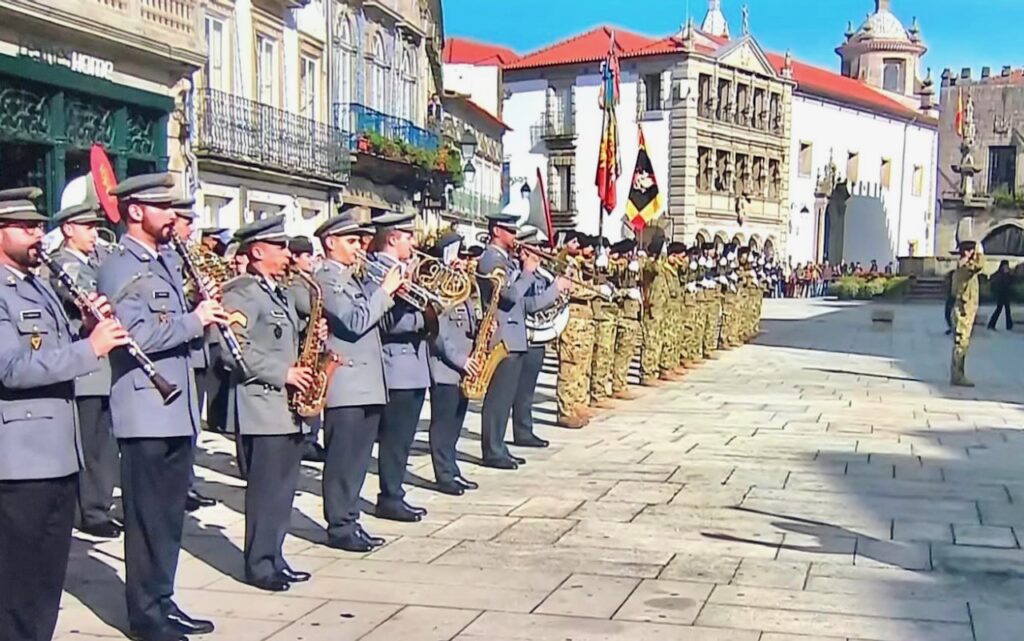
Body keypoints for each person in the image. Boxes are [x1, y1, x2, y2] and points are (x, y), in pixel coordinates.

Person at [98, 173, 227, 641]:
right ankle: (145, 615)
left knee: (170, 518)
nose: (174, 216)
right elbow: (134, 338)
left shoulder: (167, 260)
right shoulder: (119, 266)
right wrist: (196, 320)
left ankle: (163, 599)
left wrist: (206, 316)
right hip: (145, 409)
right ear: (135, 211)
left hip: (176, 408)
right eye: (163, 207)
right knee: (148, 518)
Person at [0, 187, 129, 641]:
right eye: (25, 227)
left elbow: (52, 346)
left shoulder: (38, 282)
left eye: (38, 226)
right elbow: (11, 368)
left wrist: (87, 327)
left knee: (48, 578)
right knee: (18, 579)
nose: (37, 235)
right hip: (19, 459)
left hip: (58, 452)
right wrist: (88, 349)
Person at [221, 216, 317, 592]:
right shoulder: (242, 291)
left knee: (283, 489)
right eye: (279, 247)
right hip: (263, 404)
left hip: (287, 407)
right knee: (265, 491)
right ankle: (259, 564)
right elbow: (234, 350)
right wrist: (284, 373)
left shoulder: (277, 291)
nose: (287, 254)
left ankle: (274, 556)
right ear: (258, 251)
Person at [315, 208, 401, 551]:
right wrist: (385, 291)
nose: (358, 247)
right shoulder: (327, 279)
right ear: (330, 242)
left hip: (367, 381)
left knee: (359, 459)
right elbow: (353, 320)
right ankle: (339, 526)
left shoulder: (352, 277)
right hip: (345, 381)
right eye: (351, 241)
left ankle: (350, 519)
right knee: (342, 460)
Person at [47, 198, 122, 539]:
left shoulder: (95, 260)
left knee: (104, 441)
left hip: (103, 365)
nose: (95, 234)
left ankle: (97, 504)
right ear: (68, 229)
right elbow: (89, 299)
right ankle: (91, 510)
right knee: (92, 442)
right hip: (87, 366)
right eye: (88, 228)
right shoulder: (65, 265)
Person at [477, 213, 566, 462]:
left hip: (514, 335)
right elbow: (509, 296)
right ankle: (492, 450)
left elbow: (523, 304)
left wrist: (552, 291)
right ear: (496, 231)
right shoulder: (490, 260)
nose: (515, 237)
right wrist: (528, 272)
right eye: (510, 230)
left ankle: (499, 446)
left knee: (506, 398)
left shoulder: (505, 261)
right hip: (502, 336)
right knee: (498, 399)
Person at [370, 212, 433, 522]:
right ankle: (390, 497)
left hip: (413, 365)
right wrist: (426, 318)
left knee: (404, 439)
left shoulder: (402, 269)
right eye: (409, 236)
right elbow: (385, 322)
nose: (414, 242)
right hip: (396, 366)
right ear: (393, 238)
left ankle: (395, 493)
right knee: (395, 440)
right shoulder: (377, 271)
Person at [169, 197, 219, 511]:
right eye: (186, 223)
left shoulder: (188, 256)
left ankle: (187, 482)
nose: (191, 230)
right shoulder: (169, 259)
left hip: (198, 348)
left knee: (192, 424)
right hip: (179, 346)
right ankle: (180, 485)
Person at [426, 231, 481, 496]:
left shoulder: (461, 283)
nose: (460, 258)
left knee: (457, 421)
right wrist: (461, 360)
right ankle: (443, 473)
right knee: (443, 422)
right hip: (446, 366)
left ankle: (453, 468)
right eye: (456, 252)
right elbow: (438, 332)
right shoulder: (437, 285)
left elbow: (471, 317)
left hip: (465, 365)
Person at [286, 235, 327, 462]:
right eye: (307, 256)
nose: (312, 260)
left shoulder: (308, 280)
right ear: (295, 257)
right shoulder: (295, 283)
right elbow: (305, 308)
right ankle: (305, 440)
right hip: (300, 346)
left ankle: (310, 438)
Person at [949, 238, 984, 387]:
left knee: (962, 344)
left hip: (965, 310)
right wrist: (980, 252)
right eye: (972, 250)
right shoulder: (965, 268)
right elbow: (979, 265)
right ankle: (957, 376)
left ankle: (958, 374)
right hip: (963, 311)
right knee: (961, 345)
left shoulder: (964, 267)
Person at [987, 259, 1014, 331]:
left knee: (1007, 310)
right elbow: (996, 282)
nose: (1006, 267)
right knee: (999, 309)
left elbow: (1011, 282)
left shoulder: (1008, 274)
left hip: (1006, 293)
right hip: (1001, 294)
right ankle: (992, 324)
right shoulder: (999, 274)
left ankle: (1009, 325)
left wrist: (1010, 275)